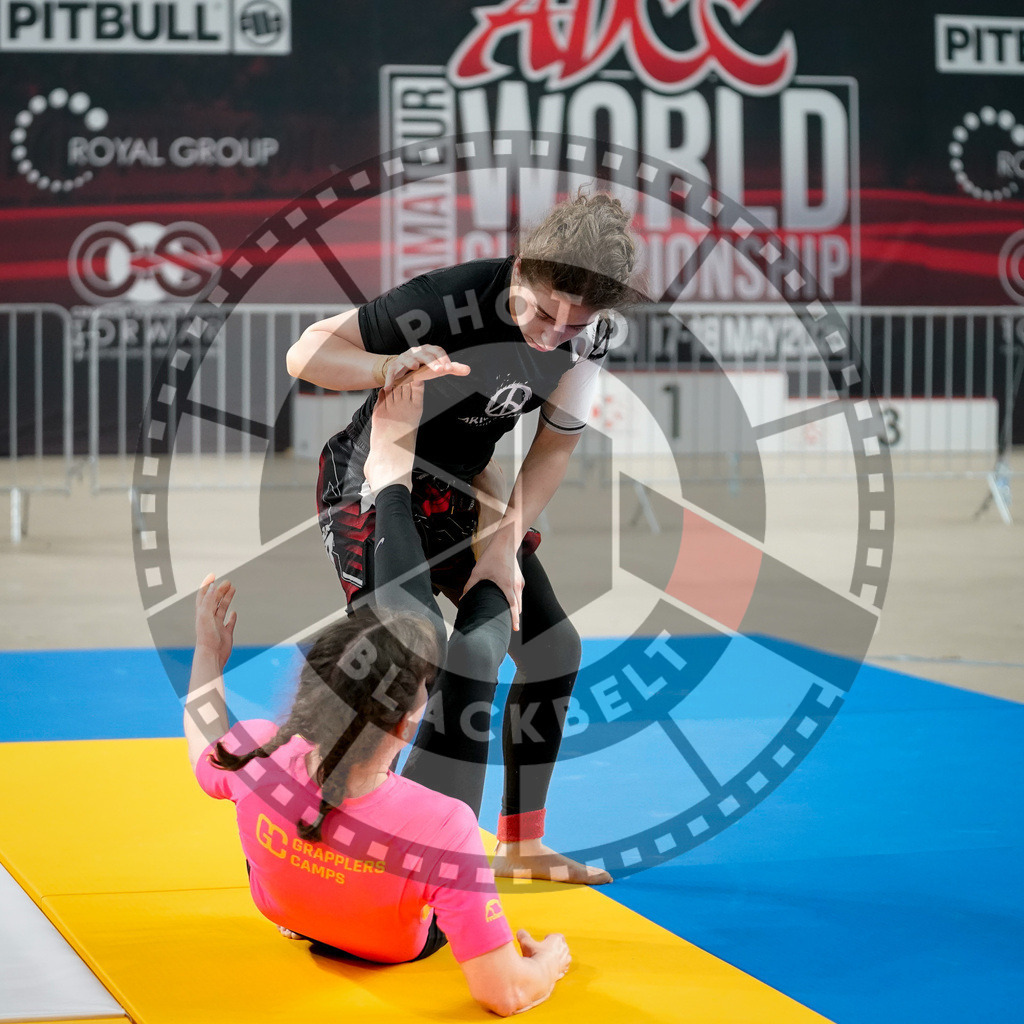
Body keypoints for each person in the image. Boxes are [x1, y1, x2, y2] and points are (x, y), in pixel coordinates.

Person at [185, 382, 572, 1016]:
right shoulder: (441, 827)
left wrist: (208, 656)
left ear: (313, 685)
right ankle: (417, 492)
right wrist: (550, 959)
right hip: (393, 944)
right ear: (410, 717)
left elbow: (202, 739)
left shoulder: (255, 751)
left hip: (290, 909)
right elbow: (503, 993)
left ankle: (397, 481)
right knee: (472, 661)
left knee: (451, 649)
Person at [286, 189, 638, 884]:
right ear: (518, 274)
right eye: (541, 313)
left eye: (571, 327)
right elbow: (306, 353)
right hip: (371, 480)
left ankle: (519, 846)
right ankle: (335, 839)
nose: (551, 336)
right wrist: (385, 368)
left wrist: (507, 541)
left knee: (550, 645)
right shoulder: (446, 302)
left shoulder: (590, 335)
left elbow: (555, 448)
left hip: (463, 497)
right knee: (408, 658)